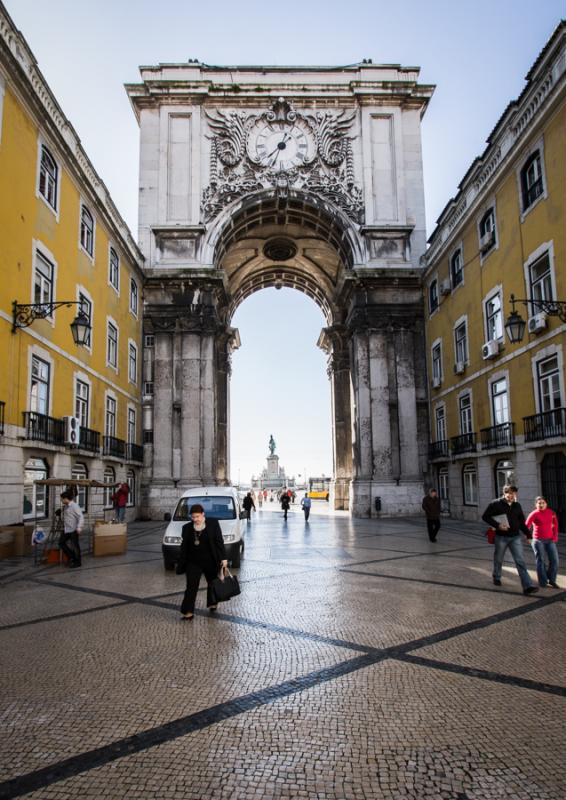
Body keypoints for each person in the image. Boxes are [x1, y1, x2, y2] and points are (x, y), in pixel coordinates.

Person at [482, 484, 538, 595]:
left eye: (513, 493)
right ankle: (496, 576)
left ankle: (528, 586)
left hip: (515, 537)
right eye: (509, 493)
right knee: (498, 558)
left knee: (520, 561)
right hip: (501, 537)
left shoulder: (517, 505)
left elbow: (522, 522)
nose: (511, 496)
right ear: (504, 493)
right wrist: (497, 525)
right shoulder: (495, 504)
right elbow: (485, 516)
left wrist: (528, 535)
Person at [176, 504, 228, 620]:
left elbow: (219, 541)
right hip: (193, 562)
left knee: (212, 583)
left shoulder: (213, 524)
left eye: (198, 517)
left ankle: (212, 602)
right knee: (191, 586)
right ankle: (188, 612)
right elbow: (184, 547)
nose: (195, 519)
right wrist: (181, 562)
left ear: (203, 514)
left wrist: (223, 559)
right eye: (193, 517)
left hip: (210, 561)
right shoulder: (187, 528)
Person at [526, 496, 560, 588]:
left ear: (546, 504)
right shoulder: (534, 514)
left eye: (543, 503)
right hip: (537, 540)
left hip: (550, 540)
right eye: (539, 503)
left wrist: (555, 537)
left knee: (555, 560)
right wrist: (529, 537)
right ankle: (543, 581)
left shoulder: (551, 512)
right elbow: (526, 526)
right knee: (541, 561)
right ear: (536, 504)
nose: (541, 505)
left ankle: (551, 579)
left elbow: (555, 525)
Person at [59, 490, 84, 568]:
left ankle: (78, 562)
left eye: (62, 499)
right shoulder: (66, 506)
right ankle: (72, 557)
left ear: (66, 498)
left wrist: (79, 527)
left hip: (74, 529)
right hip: (67, 529)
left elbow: (81, 517)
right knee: (61, 543)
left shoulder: (74, 506)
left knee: (75, 546)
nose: (61, 500)